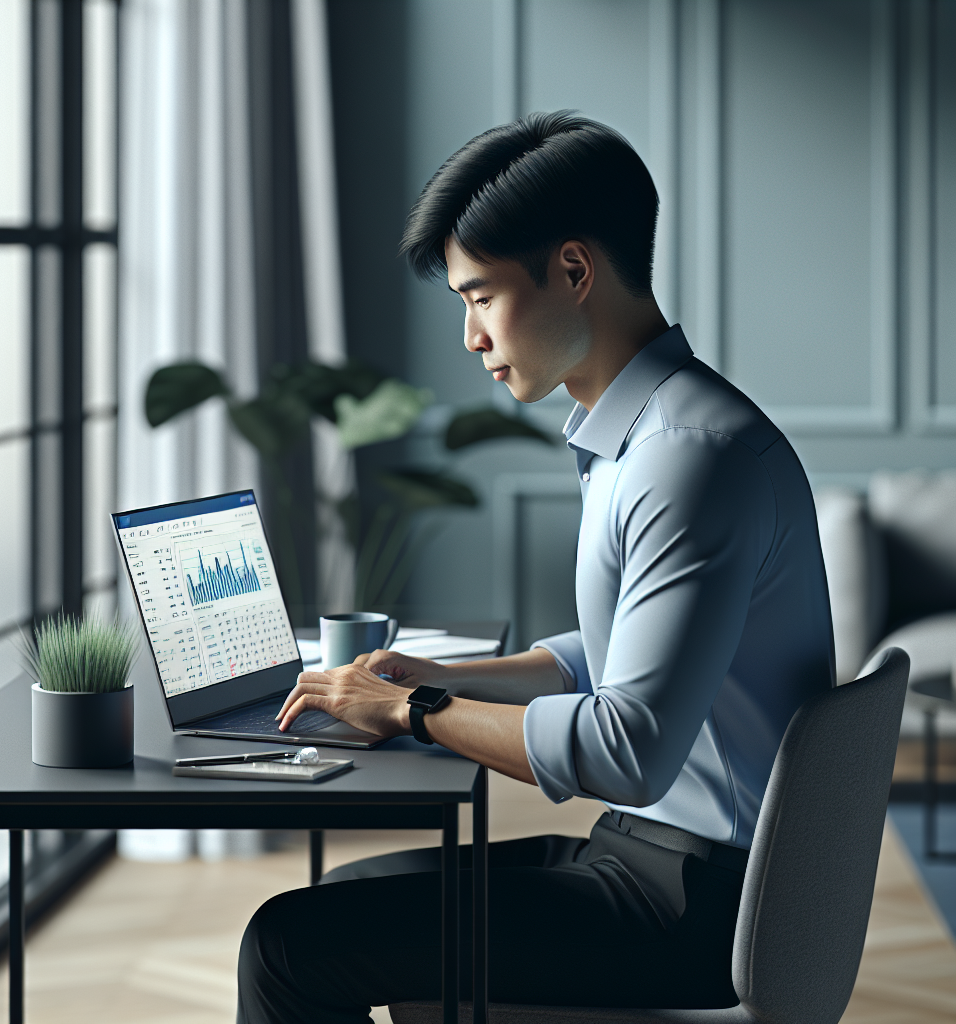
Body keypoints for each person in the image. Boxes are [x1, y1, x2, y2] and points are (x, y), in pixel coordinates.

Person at [236, 111, 834, 1024]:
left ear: (575, 270)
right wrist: (440, 675)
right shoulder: (654, 434)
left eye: (480, 297)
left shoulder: (688, 458)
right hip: (661, 858)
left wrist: (413, 710)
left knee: (288, 948)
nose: (471, 337)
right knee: (342, 904)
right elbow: (613, 656)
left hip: (695, 910)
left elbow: (628, 749)